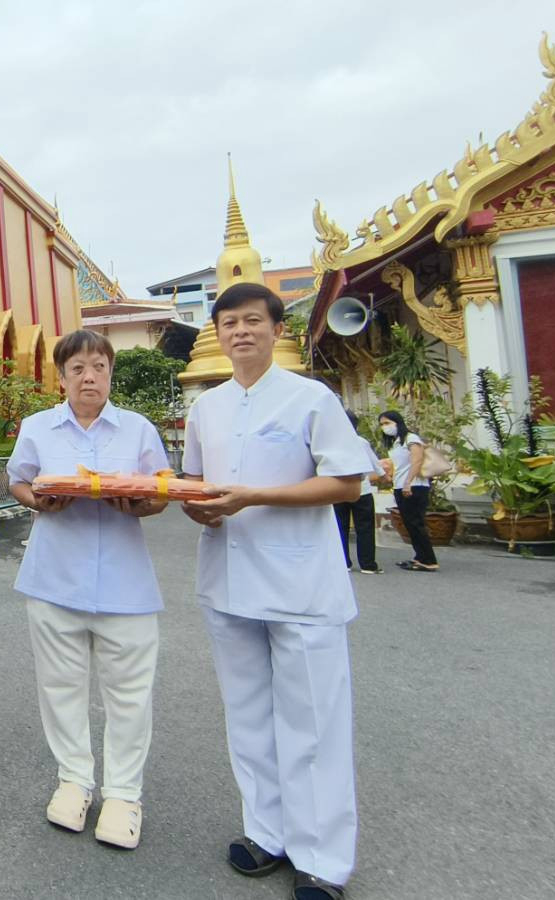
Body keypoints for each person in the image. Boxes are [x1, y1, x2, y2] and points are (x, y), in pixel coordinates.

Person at [181, 283, 368, 900]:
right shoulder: (207, 408)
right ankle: (267, 832)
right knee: (249, 715)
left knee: (312, 720)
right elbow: (194, 486)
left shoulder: (309, 398)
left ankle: (322, 859)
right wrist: (199, 511)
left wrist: (256, 496)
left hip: (300, 584)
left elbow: (345, 483)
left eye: (252, 321)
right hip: (228, 581)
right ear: (217, 332)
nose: (241, 331)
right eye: (229, 322)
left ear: (276, 329)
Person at [7, 329, 169, 850]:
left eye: (97, 366)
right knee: (61, 688)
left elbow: (161, 489)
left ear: (110, 373)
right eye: (76, 368)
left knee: (128, 696)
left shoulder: (138, 430)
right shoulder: (39, 428)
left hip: (126, 584)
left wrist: (143, 503)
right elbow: (19, 480)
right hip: (55, 578)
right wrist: (37, 501)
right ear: (61, 376)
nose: (88, 376)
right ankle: (73, 780)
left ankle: (123, 794)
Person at [379, 409, 436, 572]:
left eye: (387, 423)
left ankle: (428, 559)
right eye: (382, 424)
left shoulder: (411, 438)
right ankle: (420, 557)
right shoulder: (396, 442)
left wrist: (408, 482)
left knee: (416, 523)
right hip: (400, 485)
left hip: (414, 486)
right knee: (410, 524)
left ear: (398, 422)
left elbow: (417, 461)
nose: (385, 427)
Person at [334, 411, 384, 574]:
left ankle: (344, 563)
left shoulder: (332, 442)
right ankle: (367, 564)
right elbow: (375, 464)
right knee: (365, 527)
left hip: (337, 491)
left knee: (340, 528)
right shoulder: (360, 441)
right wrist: (383, 475)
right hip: (362, 490)